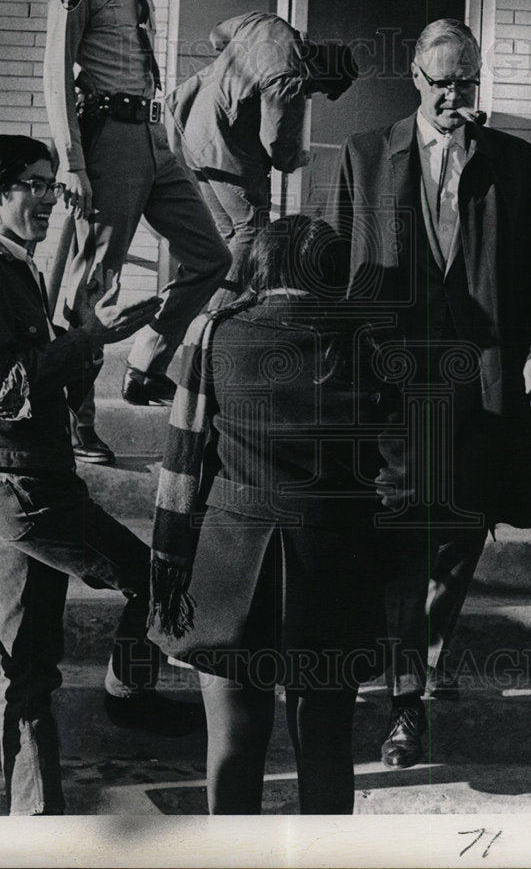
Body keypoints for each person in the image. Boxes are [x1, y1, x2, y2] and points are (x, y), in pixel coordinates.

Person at [327, 18, 531, 768]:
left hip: (484, 375)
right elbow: (341, 264)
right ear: (413, 77)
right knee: (403, 540)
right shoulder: (366, 153)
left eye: (467, 81)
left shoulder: (515, 164)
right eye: (441, 83)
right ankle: (405, 703)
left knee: (460, 537)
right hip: (398, 379)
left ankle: (426, 658)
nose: (454, 96)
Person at [0, 135, 201, 816]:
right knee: (152, 579)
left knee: (29, 664)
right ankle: (129, 697)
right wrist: (89, 340)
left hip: (31, 477)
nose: (48, 197)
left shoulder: (15, 265)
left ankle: (34, 815)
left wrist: (88, 336)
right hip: (18, 487)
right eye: (33, 184)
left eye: (50, 184)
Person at [147, 215, 396, 814]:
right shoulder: (368, 339)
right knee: (328, 744)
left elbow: (184, 457)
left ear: (261, 265)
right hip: (334, 554)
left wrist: (168, 558)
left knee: (233, 742)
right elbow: (392, 458)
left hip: (232, 554)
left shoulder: (214, 333)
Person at [44, 0, 230, 464]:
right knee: (96, 285)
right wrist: (72, 161)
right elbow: (56, 73)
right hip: (109, 143)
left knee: (211, 258)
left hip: (153, 140)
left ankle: (145, 362)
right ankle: (76, 418)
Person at [165, 11, 358, 309]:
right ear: (321, 70)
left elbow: (217, 34)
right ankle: (216, 320)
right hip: (221, 137)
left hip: (189, 124)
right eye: (318, 89)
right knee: (251, 229)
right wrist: (297, 158)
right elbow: (277, 145)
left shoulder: (266, 22)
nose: (310, 95)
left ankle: (193, 314)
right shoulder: (290, 75)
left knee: (228, 234)